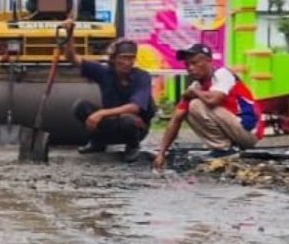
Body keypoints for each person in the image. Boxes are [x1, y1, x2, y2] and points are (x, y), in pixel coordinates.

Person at [152, 42, 265, 170]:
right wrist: (162, 152)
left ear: (209, 61)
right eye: (187, 64)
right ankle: (226, 149)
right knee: (187, 109)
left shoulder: (223, 74)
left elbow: (213, 100)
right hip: (234, 130)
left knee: (195, 104)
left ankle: (224, 150)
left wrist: (194, 93)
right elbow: (176, 119)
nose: (190, 68)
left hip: (249, 131)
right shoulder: (196, 86)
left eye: (195, 63)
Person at [62, 21, 155, 163]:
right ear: (114, 59)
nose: (128, 62)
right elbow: (72, 59)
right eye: (123, 57)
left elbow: (134, 107)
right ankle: (98, 142)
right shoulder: (105, 72)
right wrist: (69, 35)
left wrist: (101, 113)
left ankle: (132, 146)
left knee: (128, 119)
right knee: (81, 107)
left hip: (134, 126)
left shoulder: (142, 76)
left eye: (131, 58)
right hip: (111, 123)